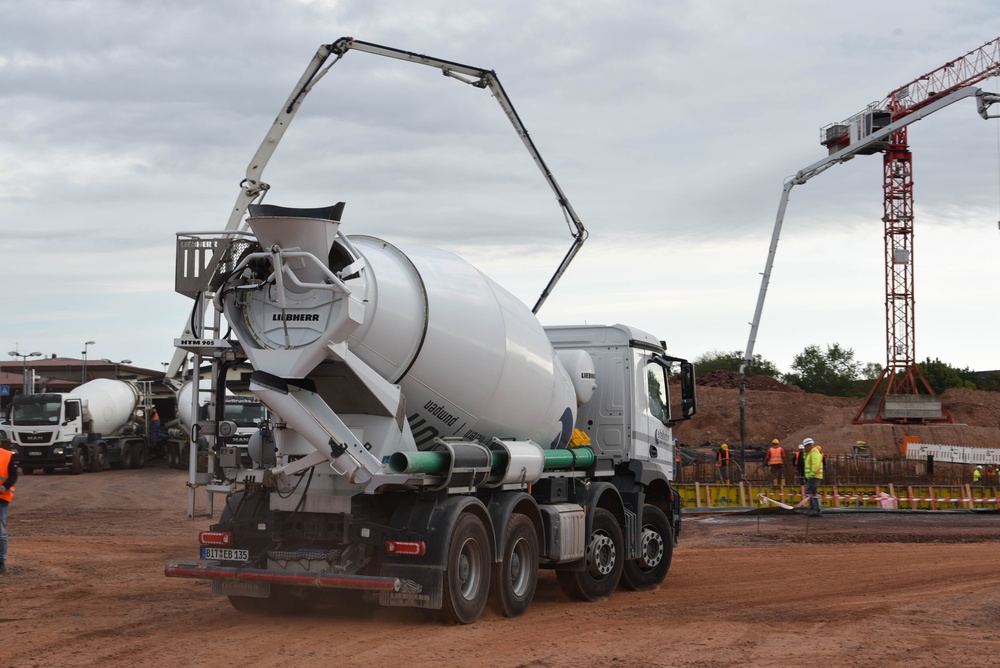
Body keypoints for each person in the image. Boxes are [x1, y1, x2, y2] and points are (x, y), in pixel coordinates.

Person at [0, 443, 18, 574]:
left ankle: (1, 562)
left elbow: (13, 476)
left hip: (1, 497)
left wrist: (4, 486)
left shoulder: (7, 455)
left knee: (0, 531)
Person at [803, 437, 823, 517]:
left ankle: (813, 509)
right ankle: (816, 510)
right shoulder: (811, 453)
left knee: (808, 491)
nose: (804, 448)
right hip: (814, 476)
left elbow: (815, 464)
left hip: (814, 476)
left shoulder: (814, 452)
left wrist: (811, 474)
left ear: (809, 445)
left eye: (805, 446)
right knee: (814, 493)